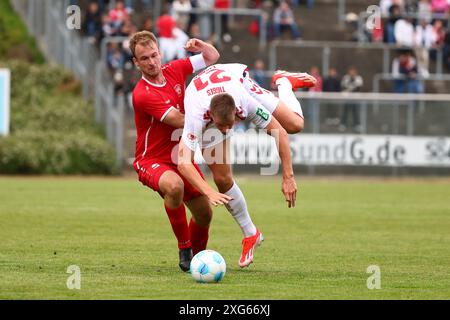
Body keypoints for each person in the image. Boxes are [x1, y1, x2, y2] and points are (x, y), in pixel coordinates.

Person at [177, 63, 316, 267]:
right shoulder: (197, 115)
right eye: (221, 125)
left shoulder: (245, 102)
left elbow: (280, 133)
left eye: (230, 125)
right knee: (222, 180)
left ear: (236, 113)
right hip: (200, 92)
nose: (225, 130)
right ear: (211, 117)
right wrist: (208, 191)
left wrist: (288, 176)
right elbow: (183, 163)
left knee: (295, 124)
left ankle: (284, 82)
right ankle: (251, 234)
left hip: (236, 80)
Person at [130, 31, 220, 272]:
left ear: (160, 53)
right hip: (150, 160)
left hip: (181, 158)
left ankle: (200, 262)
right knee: (174, 186)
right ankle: (185, 249)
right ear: (136, 63)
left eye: (153, 55)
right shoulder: (142, 94)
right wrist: (217, 115)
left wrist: (202, 45)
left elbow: (212, 57)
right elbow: (180, 120)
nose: (151, 62)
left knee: (205, 215)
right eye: (144, 59)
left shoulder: (175, 69)